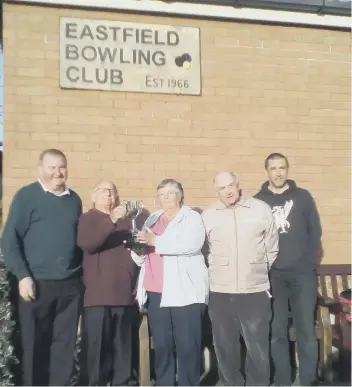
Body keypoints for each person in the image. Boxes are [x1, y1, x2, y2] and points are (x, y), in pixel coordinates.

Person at [1, 149, 83, 386]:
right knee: (34, 346)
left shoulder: (74, 199)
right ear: (41, 170)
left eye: (62, 166)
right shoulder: (27, 196)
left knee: (64, 347)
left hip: (69, 285)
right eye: (52, 167)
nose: (58, 172)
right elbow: (9, 239)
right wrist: (23, 276)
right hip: (36, 284)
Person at [202, 171, 279, 386]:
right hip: (220, 291)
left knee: (257, 347)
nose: (227, 191)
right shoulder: (208, 215)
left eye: (230, 186)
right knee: (225, 348)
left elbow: (272, 246)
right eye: (222, 188)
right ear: (216, 191)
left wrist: (257, 268)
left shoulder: (260, 209)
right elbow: (204, 250)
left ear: (238, 185)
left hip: (254, 290)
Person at [129, 178, 209, 386]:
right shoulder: (152, 219)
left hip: (184, 292)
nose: (166, 198)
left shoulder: (192, 217)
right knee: (163, 345)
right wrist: (137, 250)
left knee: (187, 345)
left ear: (181, 195)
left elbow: (191, 244)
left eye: (170, 193)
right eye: (162, 194)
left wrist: (155, 241)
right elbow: (143, 253)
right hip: (156, 291)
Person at [254, 153, 322, 386]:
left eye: (282, 167)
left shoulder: (302, 197)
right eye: (273, 168)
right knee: (277, 333)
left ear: (288, 169)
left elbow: (315, 231)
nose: (278, 172)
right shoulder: (258, 202)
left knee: (306, 332)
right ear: (267, 172)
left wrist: (308, 264)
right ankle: (283, 380)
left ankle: (309, 380)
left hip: (302, 276)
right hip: (274, 277)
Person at [77, 180, 139, 386]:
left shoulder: (125, 221)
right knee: (96, 352)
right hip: (97, 298)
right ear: (93, 196)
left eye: (112, 191)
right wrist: (112, 218)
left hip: (124, 296)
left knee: (123, 350)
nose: (109, 195)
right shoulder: (88, 219)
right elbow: (88, 243)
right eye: (104, 191)